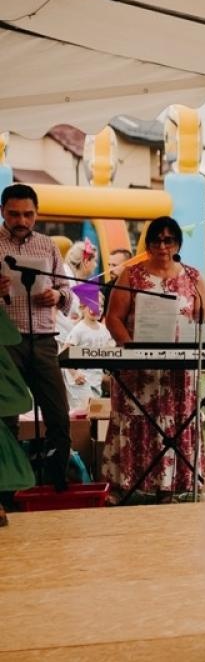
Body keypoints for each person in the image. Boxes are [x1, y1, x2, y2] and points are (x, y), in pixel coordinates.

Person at [103, 215, 205, 498]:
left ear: (177, 242)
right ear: (148, 243)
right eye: (156, 239)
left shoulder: (192, 276)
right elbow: (113, 318)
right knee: (140, 423)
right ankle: (133, 486)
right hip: (139, 372)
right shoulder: (131, 274)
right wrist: (131, 349)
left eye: (169, 239)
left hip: (179, 371)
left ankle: (173, 486)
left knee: (176, 425)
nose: (163, 245)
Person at [0, 183, 73, 487]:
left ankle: (57, 486)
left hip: (43, 339)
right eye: (15, 214)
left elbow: (69, 290)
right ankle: (9, 492)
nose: (22, 221)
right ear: (2, 212)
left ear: (37, 213)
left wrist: (57, 295)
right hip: (4, 343)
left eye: (28, 214)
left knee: (58, 416)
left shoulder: (47, 245)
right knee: (6, 419)